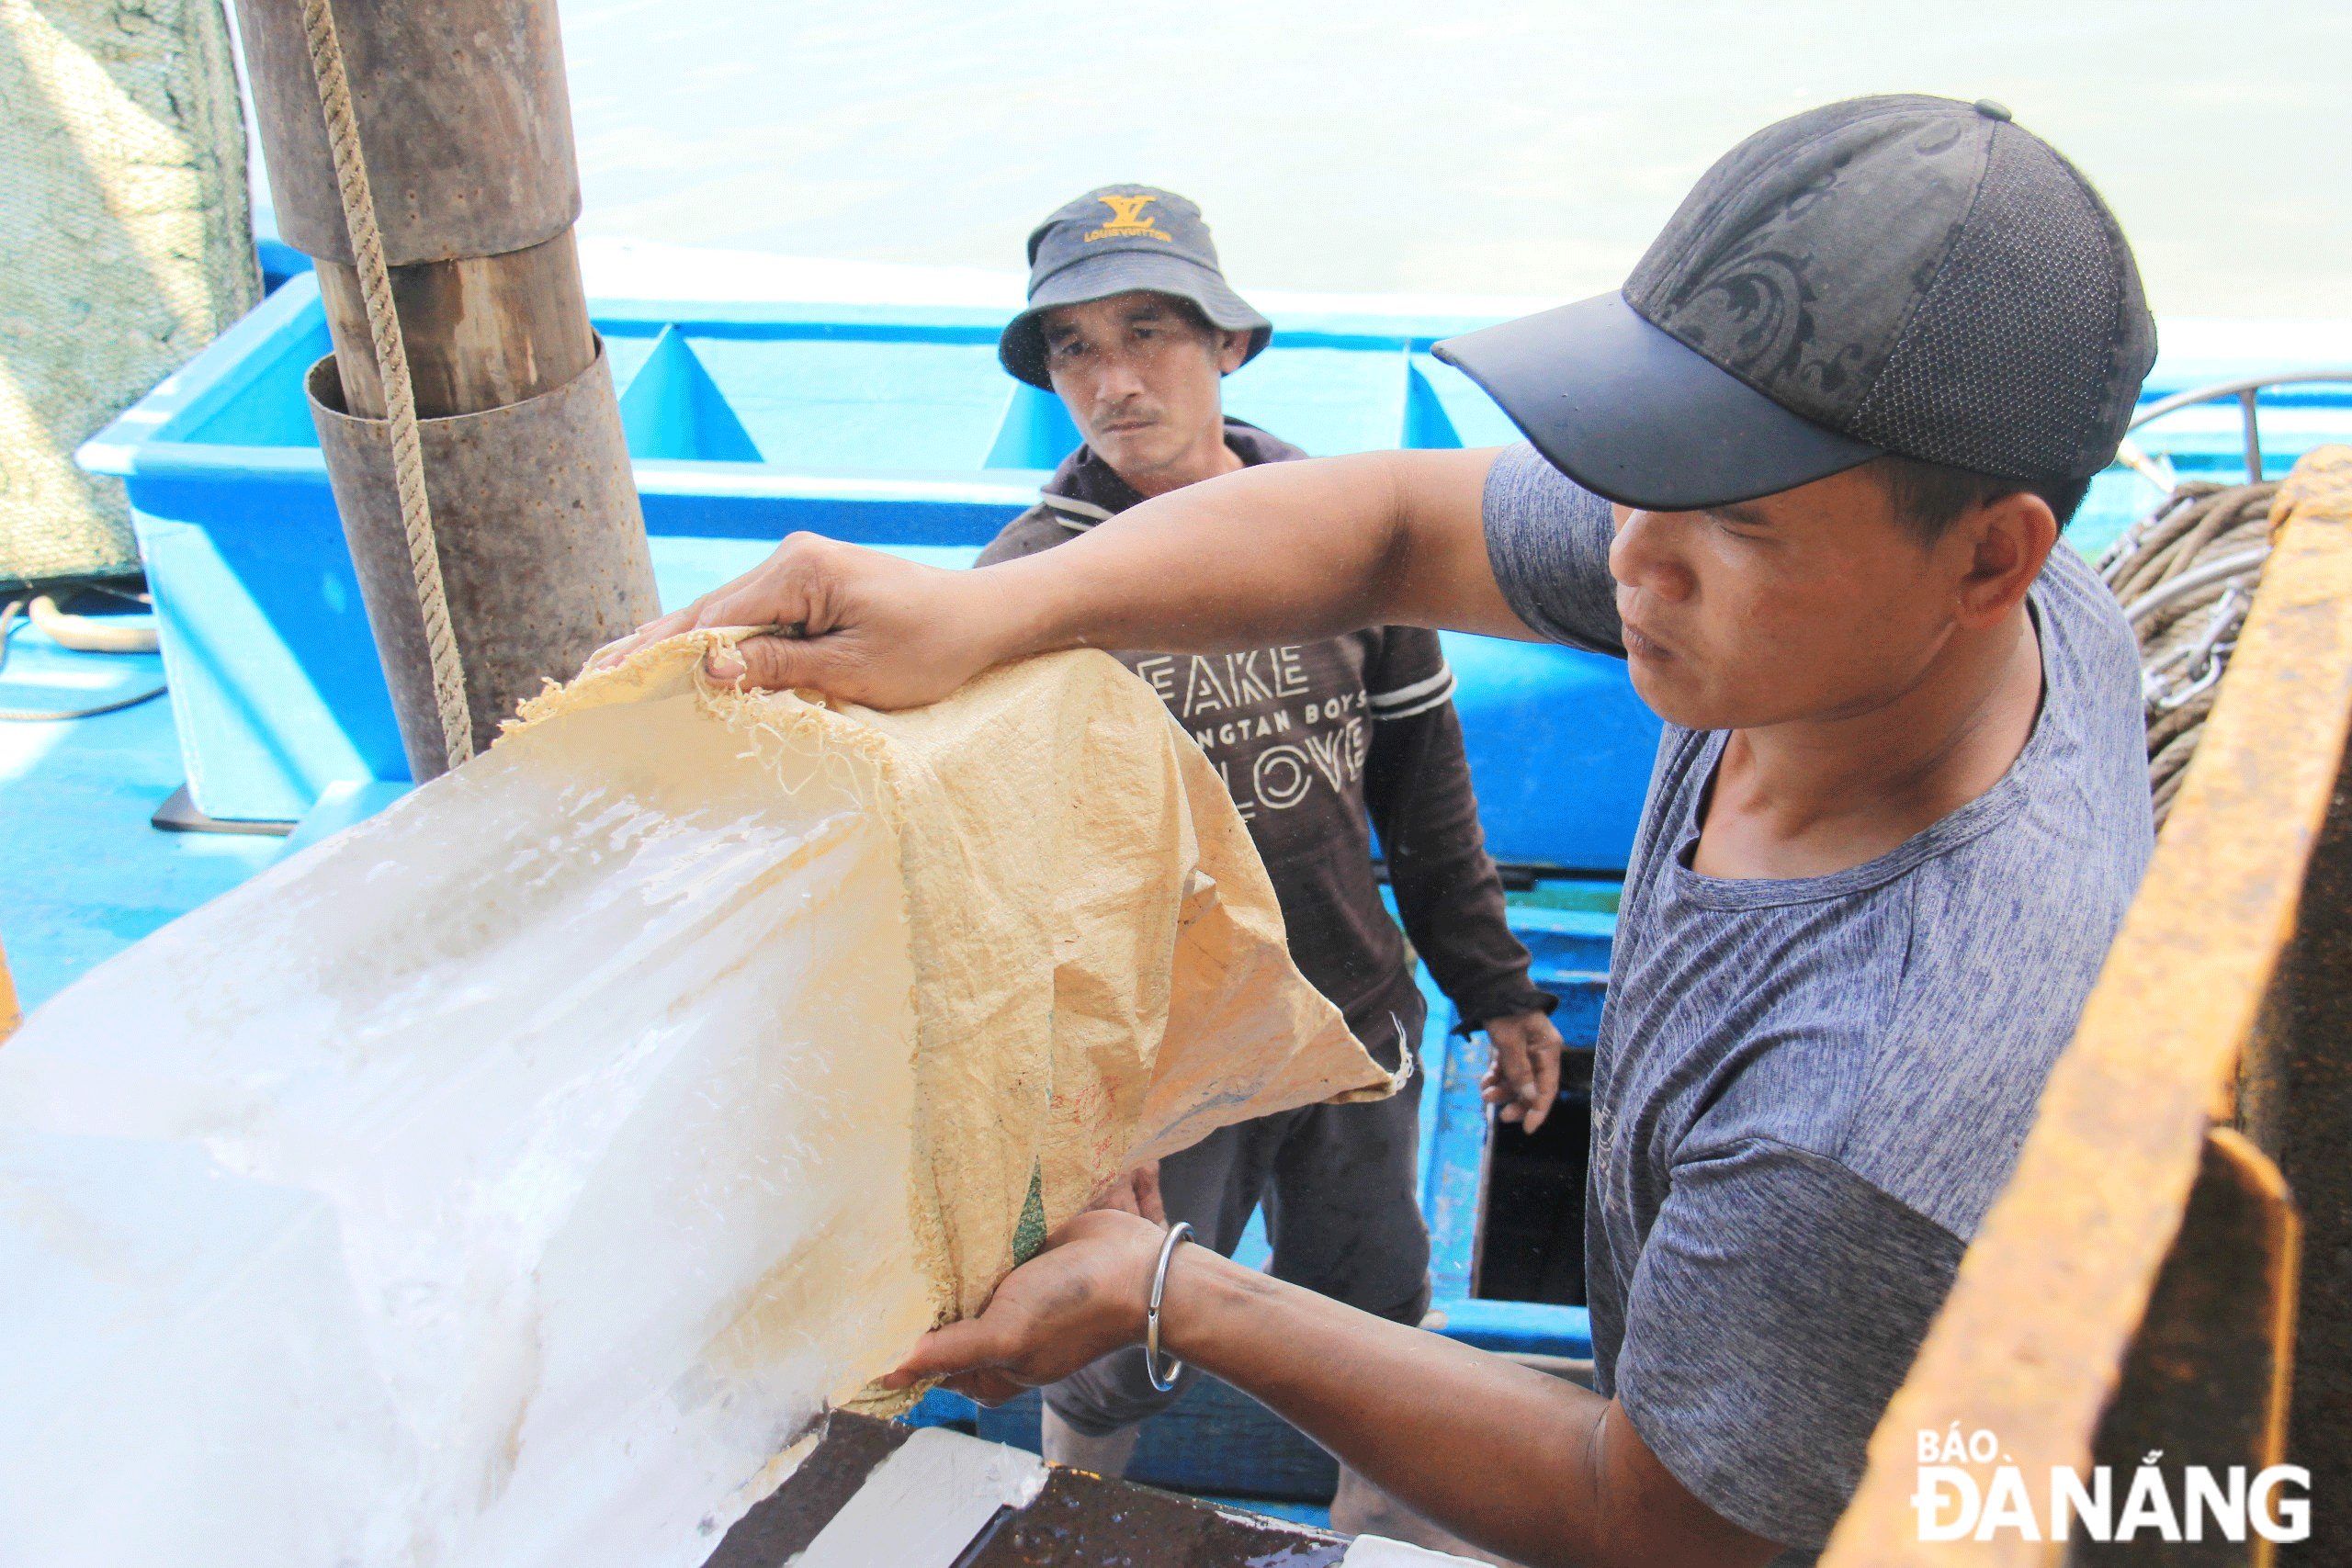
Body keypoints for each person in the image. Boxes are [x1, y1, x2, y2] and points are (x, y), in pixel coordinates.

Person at [608, 96, 2157, 1566]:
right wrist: (979, 612)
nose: (1625, 560)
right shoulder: (1918, 587)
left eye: (1729, 524)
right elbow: (1396, 527)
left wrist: (1172, 1290)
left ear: (1990, 559)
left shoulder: (1864, 1109)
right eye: (1629, 474)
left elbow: (1658, 1517)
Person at [978, 186, 1562, 1543]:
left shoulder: (1346, 532)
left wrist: (1495, 986)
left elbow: (1422, 791)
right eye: (1073, 349)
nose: (1115, 381)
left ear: (1228, 343)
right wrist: (1073, 1119)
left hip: (1352, 1022)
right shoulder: (1026, 588)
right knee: (1107, 1343)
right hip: (1163, 1076)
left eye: (1150, 331)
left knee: (1373, 1322)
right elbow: (1006, 894)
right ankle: (1076, 1518)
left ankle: (1372, 1533)